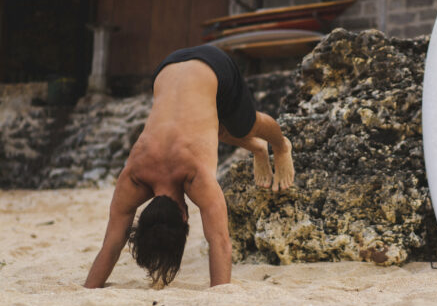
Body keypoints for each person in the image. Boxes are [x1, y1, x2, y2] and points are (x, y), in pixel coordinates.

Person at [83, 45, 294, 289]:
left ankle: (280, 146)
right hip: (167, 67)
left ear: (184, 217)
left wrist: (219, 294)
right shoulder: (133, 177)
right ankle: (258, 148)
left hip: (215, 65)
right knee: (213, 126)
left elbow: (220, 243)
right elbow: (111, 246)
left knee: (244, 126)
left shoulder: (196, 176)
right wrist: (88, 289)